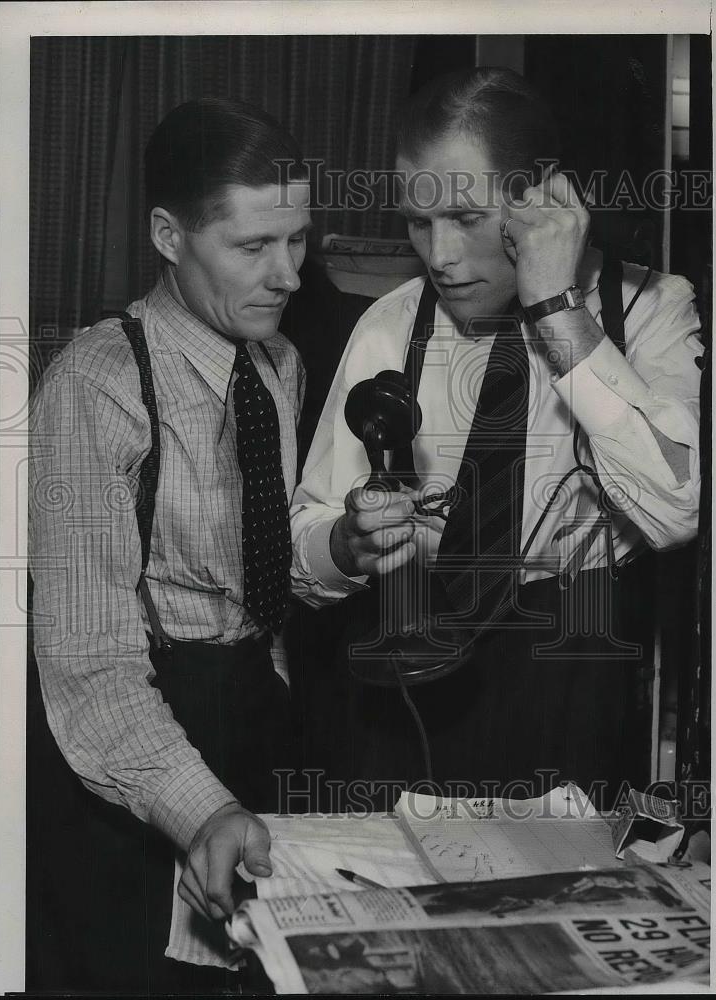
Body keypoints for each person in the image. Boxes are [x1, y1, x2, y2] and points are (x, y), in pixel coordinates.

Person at [290, 67, 702, 811]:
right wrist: (348, 543)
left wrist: (555, 310)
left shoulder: (648, 311)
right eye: (418, 222)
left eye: (465, 217)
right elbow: (302, 549)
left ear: (541, 198)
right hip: (407, 686)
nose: (439, 254)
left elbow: (676, 510)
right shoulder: (390, 324)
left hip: (565, 678)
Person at [28, 97, 310, 993]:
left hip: (254, 720)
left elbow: (266, 580)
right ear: (166, 234)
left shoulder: (279, 365)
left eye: (297, 240)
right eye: (252, 246)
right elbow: (86, 661)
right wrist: (199, 810)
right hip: (130, 755)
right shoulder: (97, 385)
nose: (287, 275)